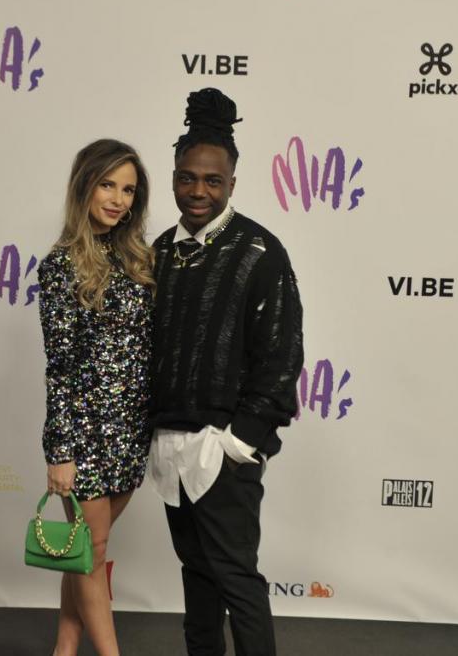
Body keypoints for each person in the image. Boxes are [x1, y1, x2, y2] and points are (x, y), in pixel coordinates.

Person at [148, 88, 304, 656]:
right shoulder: (160, 251)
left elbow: (282, 356)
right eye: (187, 178)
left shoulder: (260, 251)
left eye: (212, 181)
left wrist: (239, 442)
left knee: (237, 579)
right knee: (197, 577)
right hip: (169, 445)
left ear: (232, 184)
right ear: (173, 179)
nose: (199, 191)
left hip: (223, 449)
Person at [37, 139, 155, 656]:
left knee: (87, 547)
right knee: (94, 548)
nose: (117, 199)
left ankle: (65, 648)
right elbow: (60, 367)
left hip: (131, 430)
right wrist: (60, 451)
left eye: (128, 190)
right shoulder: (60, 266)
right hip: (84, 434)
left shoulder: (139, 260)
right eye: (108, 185)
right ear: (84, 185)